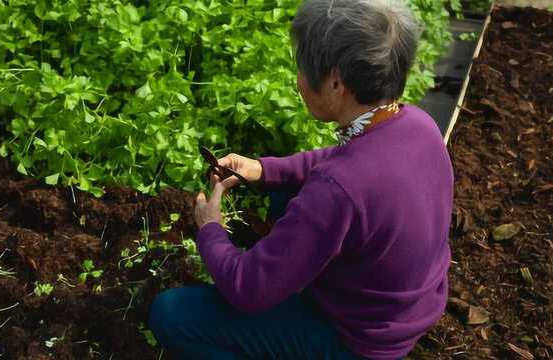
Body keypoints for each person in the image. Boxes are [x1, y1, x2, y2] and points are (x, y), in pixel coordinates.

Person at [148, 0, 453, 359]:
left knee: (171, 315)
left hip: (356, 341)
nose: (299, 79)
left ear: (337, 83)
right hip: (401, 310)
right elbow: (338, 162)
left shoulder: (337, 190)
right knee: (286, 195)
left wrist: (211, 229)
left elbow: (248, 288)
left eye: (303, 68)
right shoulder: (418, 124)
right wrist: (262, 170)